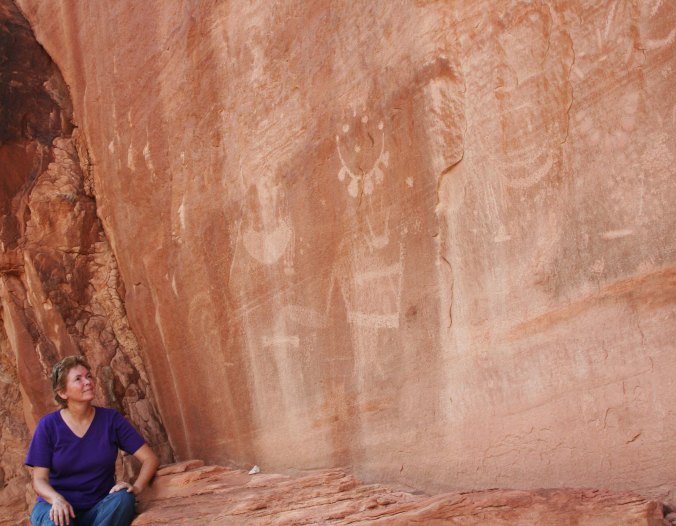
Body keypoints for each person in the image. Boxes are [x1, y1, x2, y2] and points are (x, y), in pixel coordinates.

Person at [25, 355, 160, 526]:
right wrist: (56, 499)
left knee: (123, 500)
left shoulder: (111, 420)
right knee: (57, 521)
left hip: (99, 509)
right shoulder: (48, 425)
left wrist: (137, 487)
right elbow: (39, 480)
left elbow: (150, 459)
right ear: (62, 392)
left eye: (88, 376)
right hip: (57, 507)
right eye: (78, 379)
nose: (88, 382)